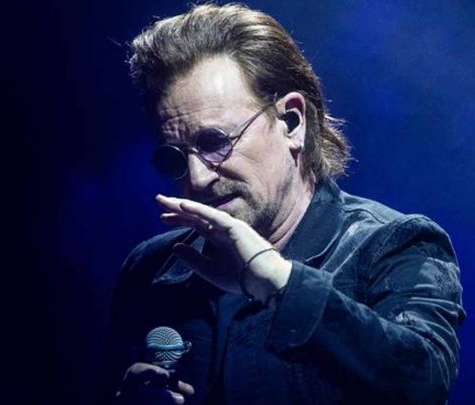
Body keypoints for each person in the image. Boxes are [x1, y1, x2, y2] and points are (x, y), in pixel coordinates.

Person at [100, 3, 465, 404]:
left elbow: (424, 385)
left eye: (215, 142)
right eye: (174, 156)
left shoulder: (394, 245)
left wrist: (281, 283)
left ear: (292, 121)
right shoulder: (149, 269)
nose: (197, 178)